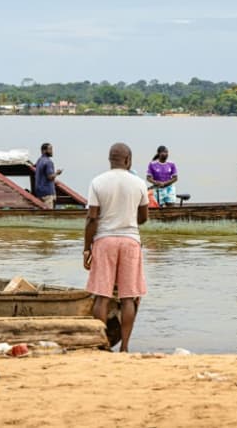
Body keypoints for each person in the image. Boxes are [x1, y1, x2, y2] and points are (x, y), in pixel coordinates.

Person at [83, 143, 149, 352]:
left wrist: (87, 248)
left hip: (104, 241)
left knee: (102, 296)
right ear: (128, 160)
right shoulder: (139, 184)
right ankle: (125, 347)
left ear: (110, 159)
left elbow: (92, 219)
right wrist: (128, 219)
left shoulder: (98, 182)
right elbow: (143, 217)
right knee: (128, 297)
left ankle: (101, 345)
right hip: (130, 242)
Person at [34, 143, 63, 209]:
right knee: (48, 214)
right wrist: (57, 173)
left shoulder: (39, 161)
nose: (52, 151)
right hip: (47, 192)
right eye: (50, 149)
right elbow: (50, 177)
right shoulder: (48, 162)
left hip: (39, 192)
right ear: (44, 151)